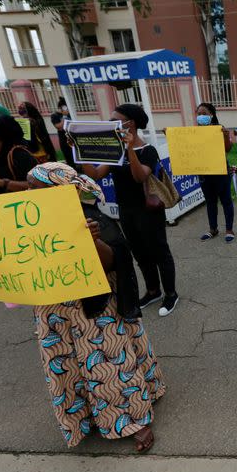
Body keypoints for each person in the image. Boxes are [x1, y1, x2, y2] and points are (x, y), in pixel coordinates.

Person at [0, 162, 165, 451]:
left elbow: (114, 262)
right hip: (52, 312)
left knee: (108, 366)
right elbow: (9, 258)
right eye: (29, 186)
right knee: (66, 366)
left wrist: (91, 241)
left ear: (60, 190)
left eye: (35, 188)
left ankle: (135, 418)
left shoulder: (92, 219)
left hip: (94, 313)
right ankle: (86, 416)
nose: (29, 192)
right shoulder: (21, 223)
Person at [82, 104, 179, 317]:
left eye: (114, 120)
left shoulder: (148, 151)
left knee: (159, 252)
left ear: (130, 123)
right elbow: (96, 174)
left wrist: (129, 149)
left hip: (148, 211)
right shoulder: (114, 151)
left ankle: (170, 294)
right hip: (125, 211)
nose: (110, 124)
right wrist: (79, 151)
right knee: (140, 253)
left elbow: (139, 176)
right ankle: (153, 290)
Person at [196, 102, 235, 243]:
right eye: (199, 114)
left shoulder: (219, 129)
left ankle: (229, 229)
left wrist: (225, 136)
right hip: (204, 173)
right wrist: (171, 135)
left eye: (204, 114)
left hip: (220, 171)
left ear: (211, 115)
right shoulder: (193, 132)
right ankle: (213, 229)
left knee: (226, 200)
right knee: (210, 202)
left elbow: (228, 149)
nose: (201, 116)